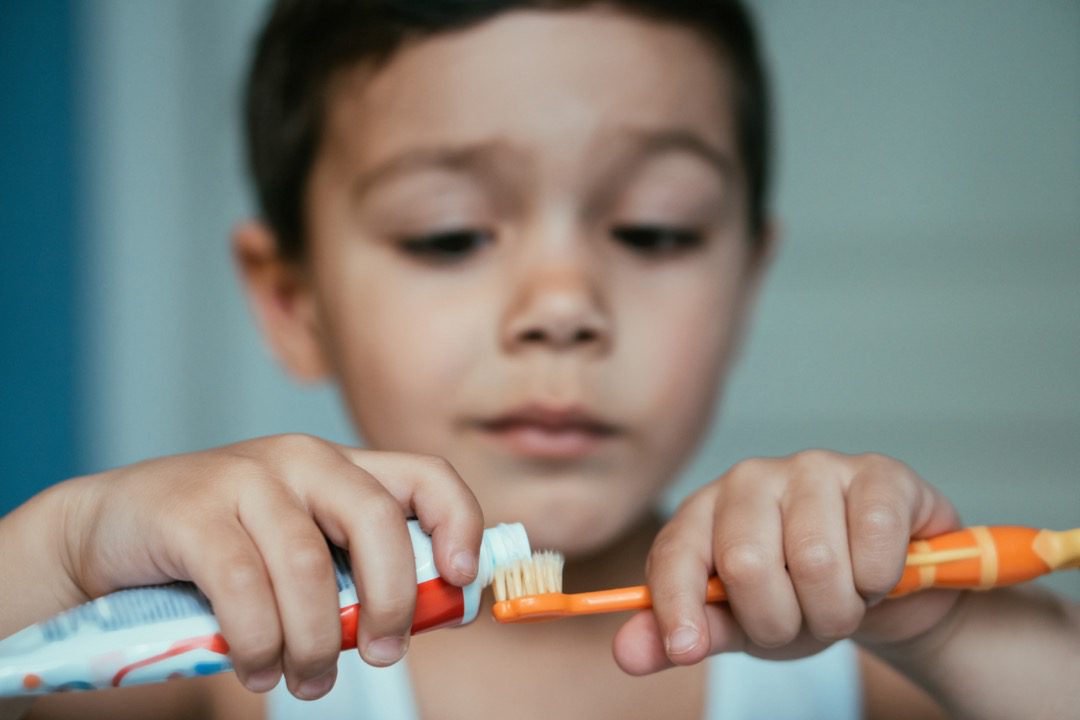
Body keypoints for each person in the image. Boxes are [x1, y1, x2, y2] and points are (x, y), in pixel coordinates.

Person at [2, 1, 1076, 718]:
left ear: (748, 278)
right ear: (294, 300)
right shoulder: (229, 671)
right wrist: (59, 549)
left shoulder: (863, 672)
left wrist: (955, 628)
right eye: (448, 234)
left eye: (655, 230)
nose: (563, 308)